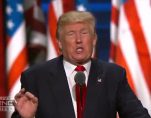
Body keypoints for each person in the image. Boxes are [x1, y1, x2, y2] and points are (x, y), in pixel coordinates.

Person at [11, 11, 150, 118]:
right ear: (59, 42)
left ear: (94, 39)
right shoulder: (36, 76)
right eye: (71, 34)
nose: (79, 40)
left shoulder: (113, 75)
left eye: (84, 33)